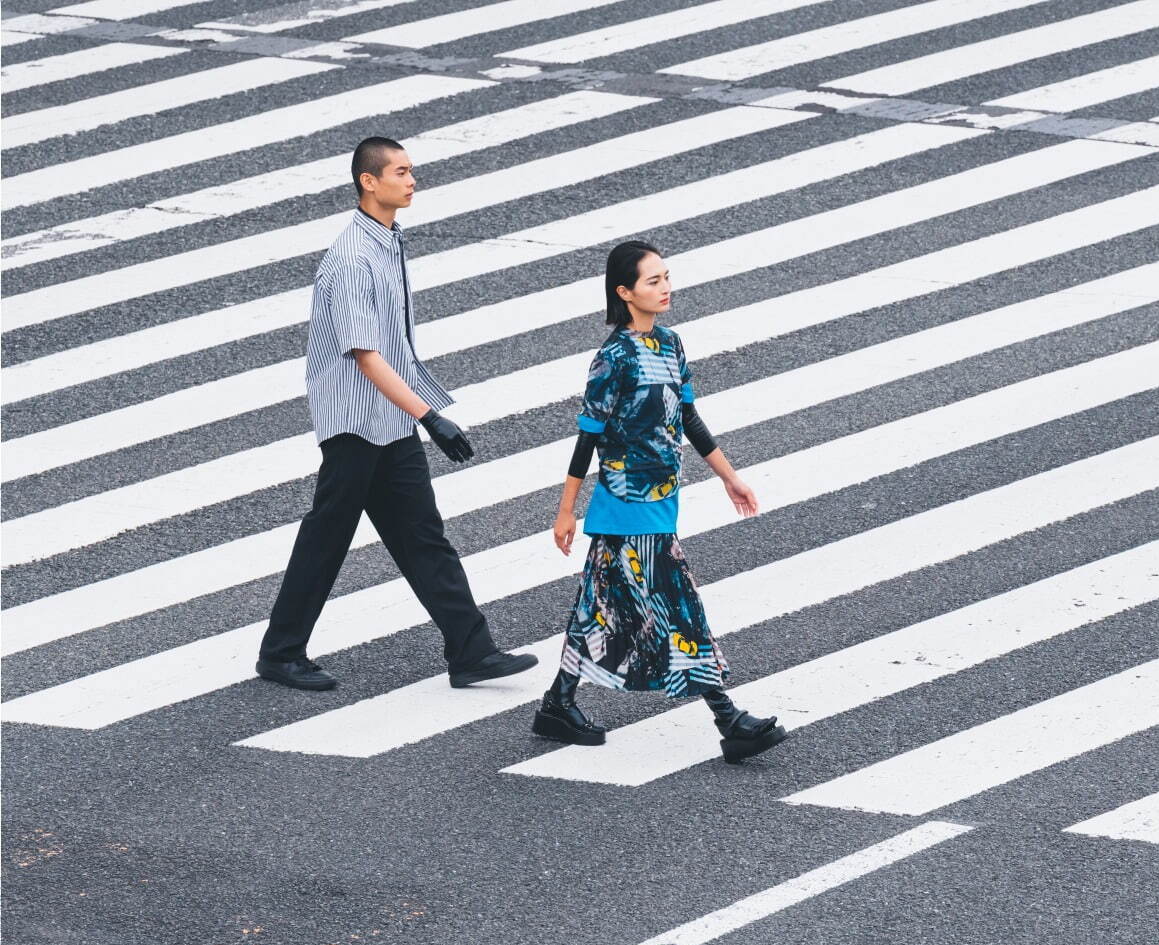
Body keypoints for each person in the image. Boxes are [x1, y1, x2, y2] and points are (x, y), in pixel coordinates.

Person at [255, 137, 537, 692]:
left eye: (411, 171)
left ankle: (471, 650)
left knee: (422, 536)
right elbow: (363, 354)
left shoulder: (386, 240)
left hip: (389, 418)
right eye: (401, 172)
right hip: (355, 421)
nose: (412, 180)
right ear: (369, 181)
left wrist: (414, 414)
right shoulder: (354, 257)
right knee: (328, 535)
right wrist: (430, 417)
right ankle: (280, 652)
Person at [534, 240, 787, 764]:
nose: (665, 287)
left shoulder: (670, 345)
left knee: (599, 604)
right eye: (652, 281)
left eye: (666, 277)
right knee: (676, 602)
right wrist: (566, 510)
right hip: (626, 503)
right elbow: (588, 436)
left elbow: (688, 419)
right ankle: (728, 718)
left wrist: (728, 477)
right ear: (625, 293)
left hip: (662, 499)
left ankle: (557, 703)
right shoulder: (612, 359)